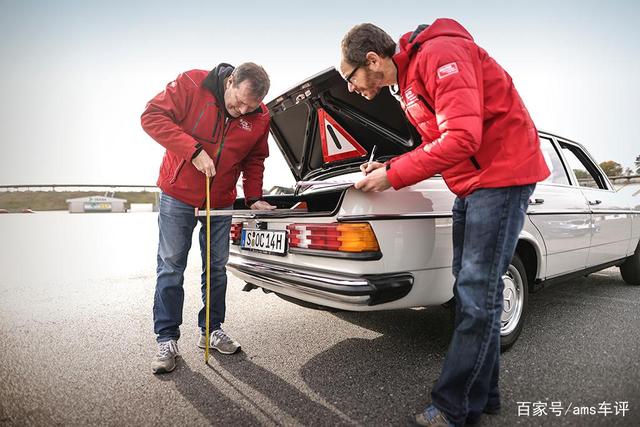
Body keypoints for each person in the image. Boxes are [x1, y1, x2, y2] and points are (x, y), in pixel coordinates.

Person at [339, 19, 550, 426]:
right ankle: (483, 395)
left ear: (371, 60)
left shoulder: (440, 55)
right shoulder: (408, 80)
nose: (350, 88)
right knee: (470, 289)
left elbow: (463, 138)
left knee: (476, 291)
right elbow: (438, 141)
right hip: (473, 183)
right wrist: (391, 164)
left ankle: (455, 407)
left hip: (503, 176)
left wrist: (392, 176)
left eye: (350, 78)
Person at [141, 62, 276, 374]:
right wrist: (193, 150)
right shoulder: (192, 84)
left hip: (221, 200)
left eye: (250, 106)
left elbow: (255, 159)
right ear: (230, 81)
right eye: (238, 101)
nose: (241, 111)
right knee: (171, 266)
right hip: (178, 194)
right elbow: (151, 117)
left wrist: (254, 197)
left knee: (216, 268)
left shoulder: (260, 117)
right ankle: (166, 338)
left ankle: (211, 330)